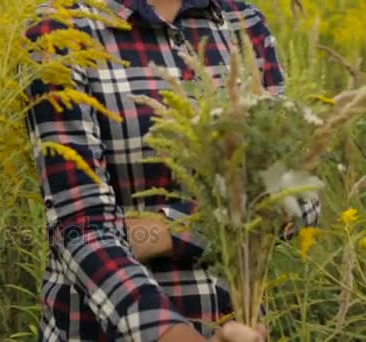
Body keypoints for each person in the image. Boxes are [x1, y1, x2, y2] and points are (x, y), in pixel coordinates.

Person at [24, 0, 320, 340]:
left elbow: (299, 198)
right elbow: (80, 228)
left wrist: (162, 232)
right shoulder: (61, 30)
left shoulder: (243, 21)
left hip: (243, 327)